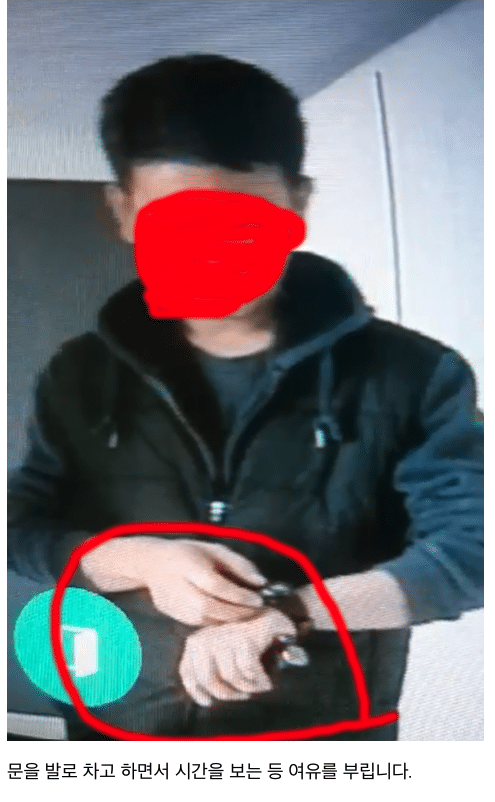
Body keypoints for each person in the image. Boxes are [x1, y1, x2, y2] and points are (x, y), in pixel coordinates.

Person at [8, 53, 483, 740]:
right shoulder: (78, 373)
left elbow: (469, 553)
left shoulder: (415, 373)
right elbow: (22, 527)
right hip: (110, 728)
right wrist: (139, 559)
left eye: (243, 223)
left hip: (317, 742)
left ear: (298, 202)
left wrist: (291, 611)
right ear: (124, 211)